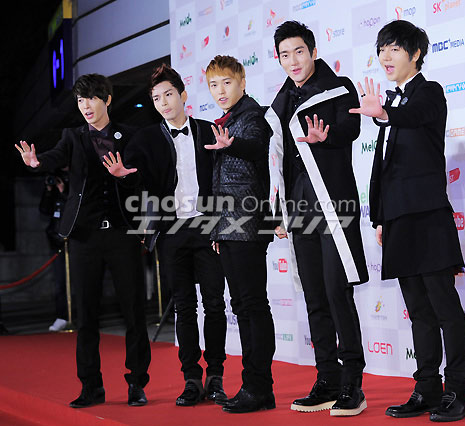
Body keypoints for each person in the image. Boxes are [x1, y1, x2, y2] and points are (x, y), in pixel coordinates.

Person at [350, 20, 465, 422]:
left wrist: (385, 112)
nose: (385, 56)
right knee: (418, 310)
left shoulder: (429, 93)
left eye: (394, 48)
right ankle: (427, 390)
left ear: (415, 54)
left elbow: (415, 115)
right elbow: (384, 169)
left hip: (428, 217)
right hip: (399, 219)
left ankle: (458, 392)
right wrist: (381, 217)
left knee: (444, 307)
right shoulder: (390, 104)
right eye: (381, 49)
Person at [15, 74, 151, 408]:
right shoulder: (72, 137)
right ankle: (91, 386)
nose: (85, 106)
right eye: (80, 100)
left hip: (122, 233)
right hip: (84, 237)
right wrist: (36, 162)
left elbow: (141, 178)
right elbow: (52, 157)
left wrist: (124, 176)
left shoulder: (130, 136)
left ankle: (137, 383)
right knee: (86, 314)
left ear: (107, 100)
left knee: (134, 311)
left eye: (91, 99)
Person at [103, 64, 228, 407]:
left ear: (183, 95)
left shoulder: (209, 130)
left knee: (215, 304)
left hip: (207, 227)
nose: (163, 102)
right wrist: (123, 176)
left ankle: (216, 377)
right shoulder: (145, 138)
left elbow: (223, 179)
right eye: (157, 98)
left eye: (169, 94)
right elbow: (135, 177)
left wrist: (221, 224)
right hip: (171, 231)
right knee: (184, 307)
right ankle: (191, 379)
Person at [265, 21, 369, 416]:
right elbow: (276, 161)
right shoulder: (279, 104)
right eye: (284, 54)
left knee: (337, 292)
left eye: (298, 51)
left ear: (312, 51)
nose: (292, 60)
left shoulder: (338, 87)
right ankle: (327, 379)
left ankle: (352, 384)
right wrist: (278, 211)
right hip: (299, 208)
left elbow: (352, 126)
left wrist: (329, 137)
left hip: (333, 203)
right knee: (314, 296)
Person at [205, 55, 275, 414]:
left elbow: (256, 148)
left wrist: (230, 144)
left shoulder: (252, 117)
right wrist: (215, 227)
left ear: (242, 83)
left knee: (252, 305)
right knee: (242, 306)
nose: (220, 91)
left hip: (248, 225)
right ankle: (254, 386)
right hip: (227, 227)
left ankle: (259, 386)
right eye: (213, 85)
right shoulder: (227, 120)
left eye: (227, 83)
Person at [39, 167, 69, 332]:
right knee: (59, 282)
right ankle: (62, 316)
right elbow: (44, 209)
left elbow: (76, 208)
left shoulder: (73, 184)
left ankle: (84, 315)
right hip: (56, 242)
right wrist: (49, 191)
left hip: (75, 240)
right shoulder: (52, 190)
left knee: (81, 281)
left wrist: (64, 191)